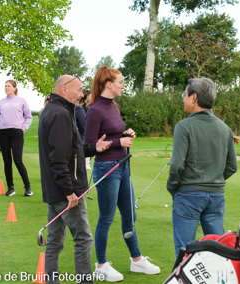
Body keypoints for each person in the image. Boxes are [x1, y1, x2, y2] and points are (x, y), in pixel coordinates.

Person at [85, 66, 160, 282]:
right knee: (106, 218)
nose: (123, 85)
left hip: (123, 166)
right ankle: (100, 265)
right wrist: (119, 141)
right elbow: (89, 145)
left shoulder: (114, 106)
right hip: (107, 169)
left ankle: (136, 261)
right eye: (120, 82)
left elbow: (113, 132)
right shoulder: (95, 110)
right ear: (109, 84)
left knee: (130, 215)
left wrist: (126, 133)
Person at [38, 75, 112, 284]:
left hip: (55, 190)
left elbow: (71, 149)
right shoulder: (60, 113)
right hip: (66, 192)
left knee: (55, 241)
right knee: (83, 240)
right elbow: (58, 159)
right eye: (79, 90)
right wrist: (70, 192)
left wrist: (93, 148)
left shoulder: (53, 110)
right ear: (64, 89)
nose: (82, 95)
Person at [167, 77, 238, 258]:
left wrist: (173, 186)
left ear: (194, 97)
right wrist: (214, 179)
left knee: (184, 252)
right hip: (216, 196)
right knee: (218, 252)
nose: (183, 98)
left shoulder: (183, 126)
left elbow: (176, 165)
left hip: (188, 194)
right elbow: (232, 167)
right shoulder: (225, 128)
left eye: (184, 94)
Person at [0, 80, 33, 197]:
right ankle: (11, 188)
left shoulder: (21, 101)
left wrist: (24, 128)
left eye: (9, 86)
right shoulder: (0, 102)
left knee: (18, 161)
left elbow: (28, 117)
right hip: (3, 133)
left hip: (16, 133)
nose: (6, 88)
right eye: (5, 86)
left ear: (14, 88)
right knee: (7, 161)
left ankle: (28, 188)